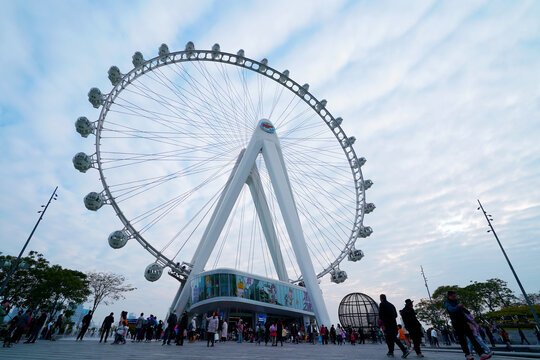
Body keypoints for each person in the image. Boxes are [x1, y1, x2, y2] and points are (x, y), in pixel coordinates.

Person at [445, 290, 492, 360]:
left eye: (455, 296)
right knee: (462, 340)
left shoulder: (456, 302)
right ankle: (467, 355)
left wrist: (470, 321)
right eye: (453, 296)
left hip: (464, 322)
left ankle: (481, 353)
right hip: (457, 324)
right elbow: (451, 309)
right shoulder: (447, 303)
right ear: (449, 296)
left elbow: (463, 314)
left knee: (472, 338)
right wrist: (458, 306)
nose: (455, 297)